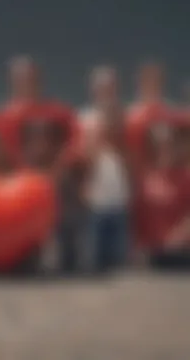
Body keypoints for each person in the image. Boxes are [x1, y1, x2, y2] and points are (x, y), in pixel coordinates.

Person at [4, 55, 80, 273]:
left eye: (29, 79)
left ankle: (69, 258)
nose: (25, 84)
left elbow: (73, 143)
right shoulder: (7, 115)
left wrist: (57, 169)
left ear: (38, 81)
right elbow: (5, 151)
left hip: (55, 177)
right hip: (22, 182)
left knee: (63, 215)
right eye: (20, 80)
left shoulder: (56, 112)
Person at [81, 67, 130, 273]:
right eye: (101, 87)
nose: (106, 91)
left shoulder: (127, 117)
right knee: (95, 258)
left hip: (120, 198)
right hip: (96, 199)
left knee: (119, 261)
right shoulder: (85, 118)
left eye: (110, 87)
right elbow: (81, 157)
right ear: (93, 90)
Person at [135, 121, 190, 269]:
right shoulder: (145, 178)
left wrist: (177, 237)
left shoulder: (185, 177)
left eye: (169, 146)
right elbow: (137, 216)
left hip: (180, 252)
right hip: (150, 253)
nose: (165, 151)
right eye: (159, 147)